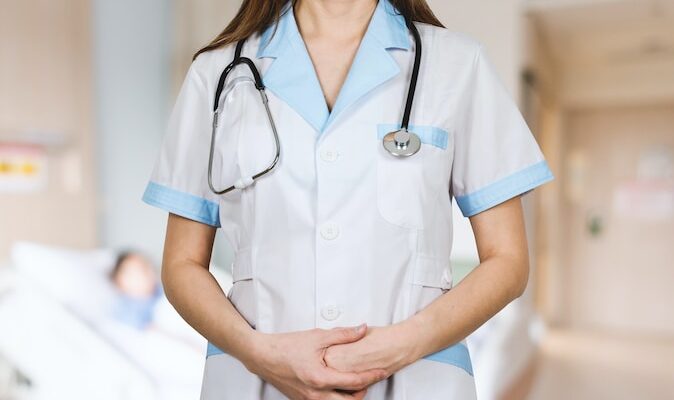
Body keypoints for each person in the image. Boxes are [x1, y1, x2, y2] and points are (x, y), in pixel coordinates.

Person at [142, 0, 555, 399]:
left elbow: (508, 262)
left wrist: (401, 345)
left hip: (417, 379)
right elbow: (182, 266)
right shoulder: (217, 74)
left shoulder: (457, 65)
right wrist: (259, 354)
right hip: (255, 380)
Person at [108, 251, 163, 330]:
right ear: (120, 282)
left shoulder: (160, 291)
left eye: (147, 266)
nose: (149, 272)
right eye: (140, 270)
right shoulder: (127, 308)